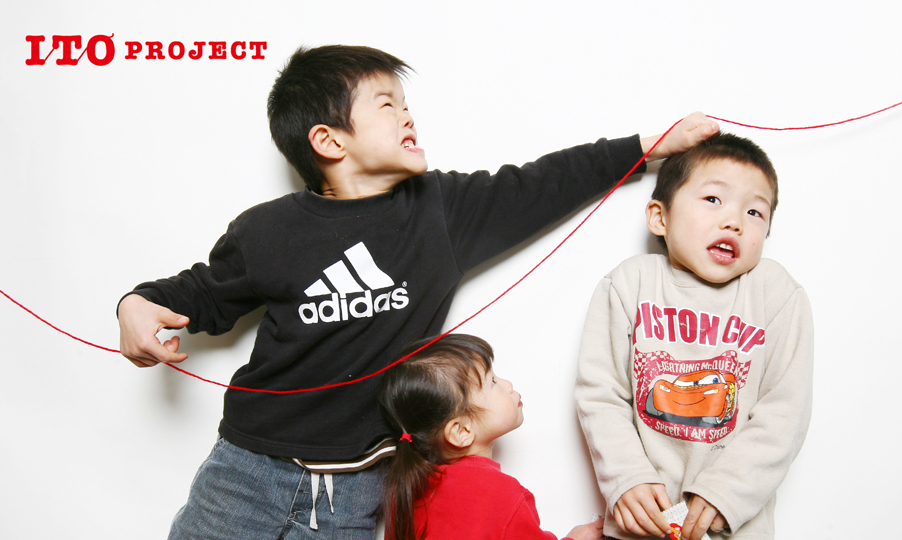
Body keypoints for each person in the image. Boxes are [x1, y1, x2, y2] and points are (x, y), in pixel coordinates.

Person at [116, 44, 718, 539]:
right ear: (330, 141)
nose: (408, 116)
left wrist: (647, 148)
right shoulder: (267, 230)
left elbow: (539, 184)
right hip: (246, 470)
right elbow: (200, 293)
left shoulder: (439, 210)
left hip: (358, 491)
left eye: (406, 105)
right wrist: (135, 305)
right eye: (387, 105)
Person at [575, 133, 813, 540]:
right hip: (642, 522)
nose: (734, 221)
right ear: (660, 218)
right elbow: (600, 393)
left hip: (732, 527)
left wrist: (726, 493)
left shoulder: (776, 293)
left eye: (755, 212)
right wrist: (626, 477)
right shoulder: (629, 284)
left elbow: (785, 414)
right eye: (713, 199)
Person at [379, 333, 604, 540]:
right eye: (493, 382)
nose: (508, 385)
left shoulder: (405, 495)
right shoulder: (500, 494)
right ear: (461, 431)